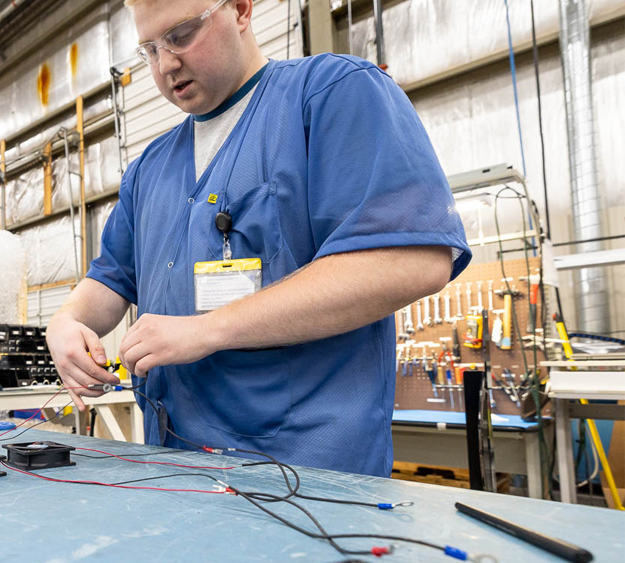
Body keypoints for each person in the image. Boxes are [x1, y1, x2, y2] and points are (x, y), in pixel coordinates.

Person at [45, 0, 470, 476]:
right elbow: (110, 280)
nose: (166, 64)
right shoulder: (149, 169)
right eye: (149, 49)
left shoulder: (331, 93)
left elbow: (410, 259)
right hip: (173, 471)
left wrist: (209, 330)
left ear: (242, 10)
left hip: (307, 476)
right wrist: (64, 323)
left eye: (182, 34)